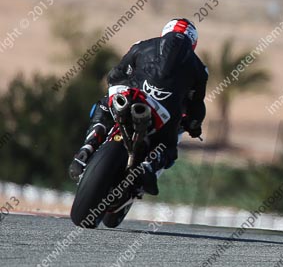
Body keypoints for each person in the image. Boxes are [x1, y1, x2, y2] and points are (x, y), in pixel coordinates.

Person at [68, 18, 208, 195]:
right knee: (168, 146)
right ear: (193, 43)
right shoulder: (199, 68)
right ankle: (149, 166)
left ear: (165, 32)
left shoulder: (142, 45)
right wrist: (194, 126)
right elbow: (196, 106)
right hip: (165, 112)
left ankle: (88, 147)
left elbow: (115, 74)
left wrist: (120, 86)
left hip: (132, 96)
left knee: (103, 106)